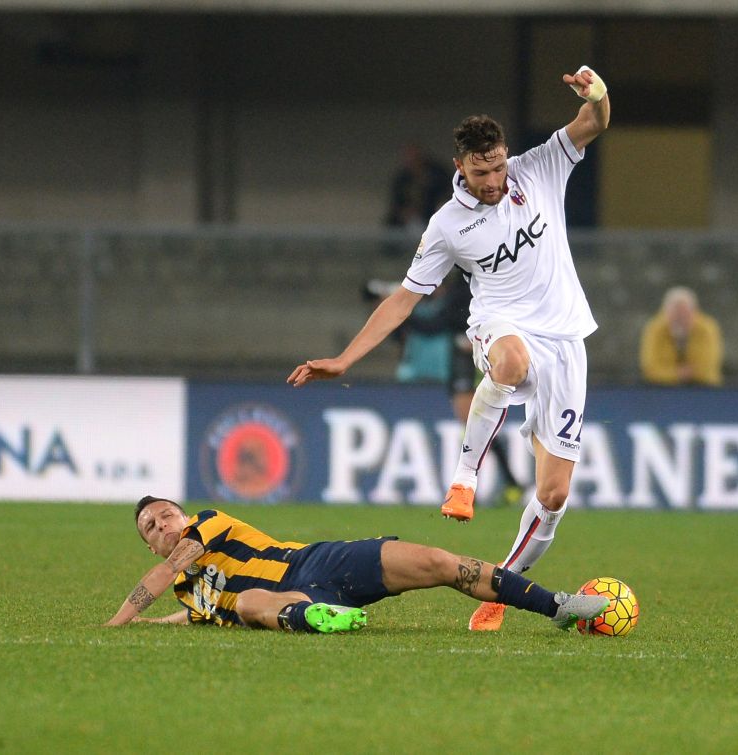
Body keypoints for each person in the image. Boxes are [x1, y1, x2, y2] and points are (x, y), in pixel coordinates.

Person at [289, 65, 611, 632]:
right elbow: (403, 300)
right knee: (510, 361)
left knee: (554, 494)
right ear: (461, 166)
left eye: (498, 166)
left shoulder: (539, 168)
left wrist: (599, 93)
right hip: (498, 323)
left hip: (565, 340)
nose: (493, 179)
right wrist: (345, 359)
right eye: (481, 171)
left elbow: (594, 122)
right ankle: (465, 478)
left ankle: (503, 587)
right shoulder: (446, 226)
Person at [104, 496, 610, 633]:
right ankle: (322, 618)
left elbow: (166, 573)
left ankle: (556, 605)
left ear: (184, 516)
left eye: (166, 515)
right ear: (149, 544)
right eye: (151, 527)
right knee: (249, 603)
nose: (162, 525)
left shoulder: (207, 524)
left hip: (316, 561)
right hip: (292, 597)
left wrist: (117, 623)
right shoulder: (191, 593)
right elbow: (197, 611)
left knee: (439, 562)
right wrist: (157, 621)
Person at [363, 270, 525, 504]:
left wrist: (402, 312)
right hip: (467, 360)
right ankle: (501, 484)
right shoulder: (476, 283)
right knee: (474, 425)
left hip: (468, 363)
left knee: (474, 424)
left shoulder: (463, 290)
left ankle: (481, 487)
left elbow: (435, 324)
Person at [639, 286, 724, 387]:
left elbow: (708, 367)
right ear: (665, 312)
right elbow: (650, 368)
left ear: (694, 312)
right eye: (676, 313)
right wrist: (677, 374)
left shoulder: (707, 328)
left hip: (704, 388)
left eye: (685, 312)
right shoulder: (655, 329)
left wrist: (676, 373)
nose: (680, 317)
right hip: (663, 388)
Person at [384, 144, 453, 233]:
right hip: (410, 221)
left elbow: (447, 193)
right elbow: (397, 202)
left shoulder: (438, 174)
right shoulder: (402, 178)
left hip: (433, 214)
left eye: (414, 158)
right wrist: (404, 212)